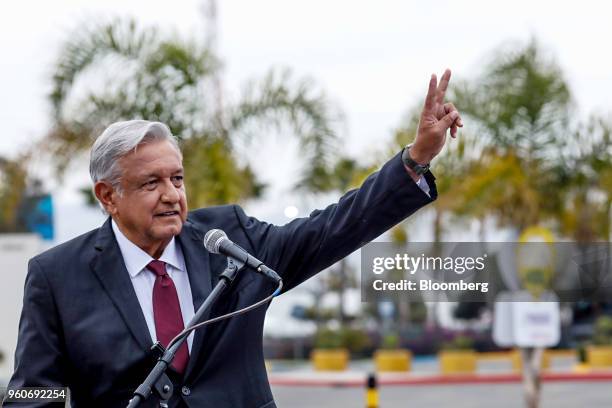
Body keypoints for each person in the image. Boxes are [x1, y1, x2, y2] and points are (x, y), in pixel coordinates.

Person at [4, 70, 462, 407]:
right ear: (108, 196)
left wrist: (416, 158)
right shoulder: (57, 276)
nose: (171, 195)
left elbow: (330, 230)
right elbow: (33, 390)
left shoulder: (230, 241)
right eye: (151, 184)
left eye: (177, 179)